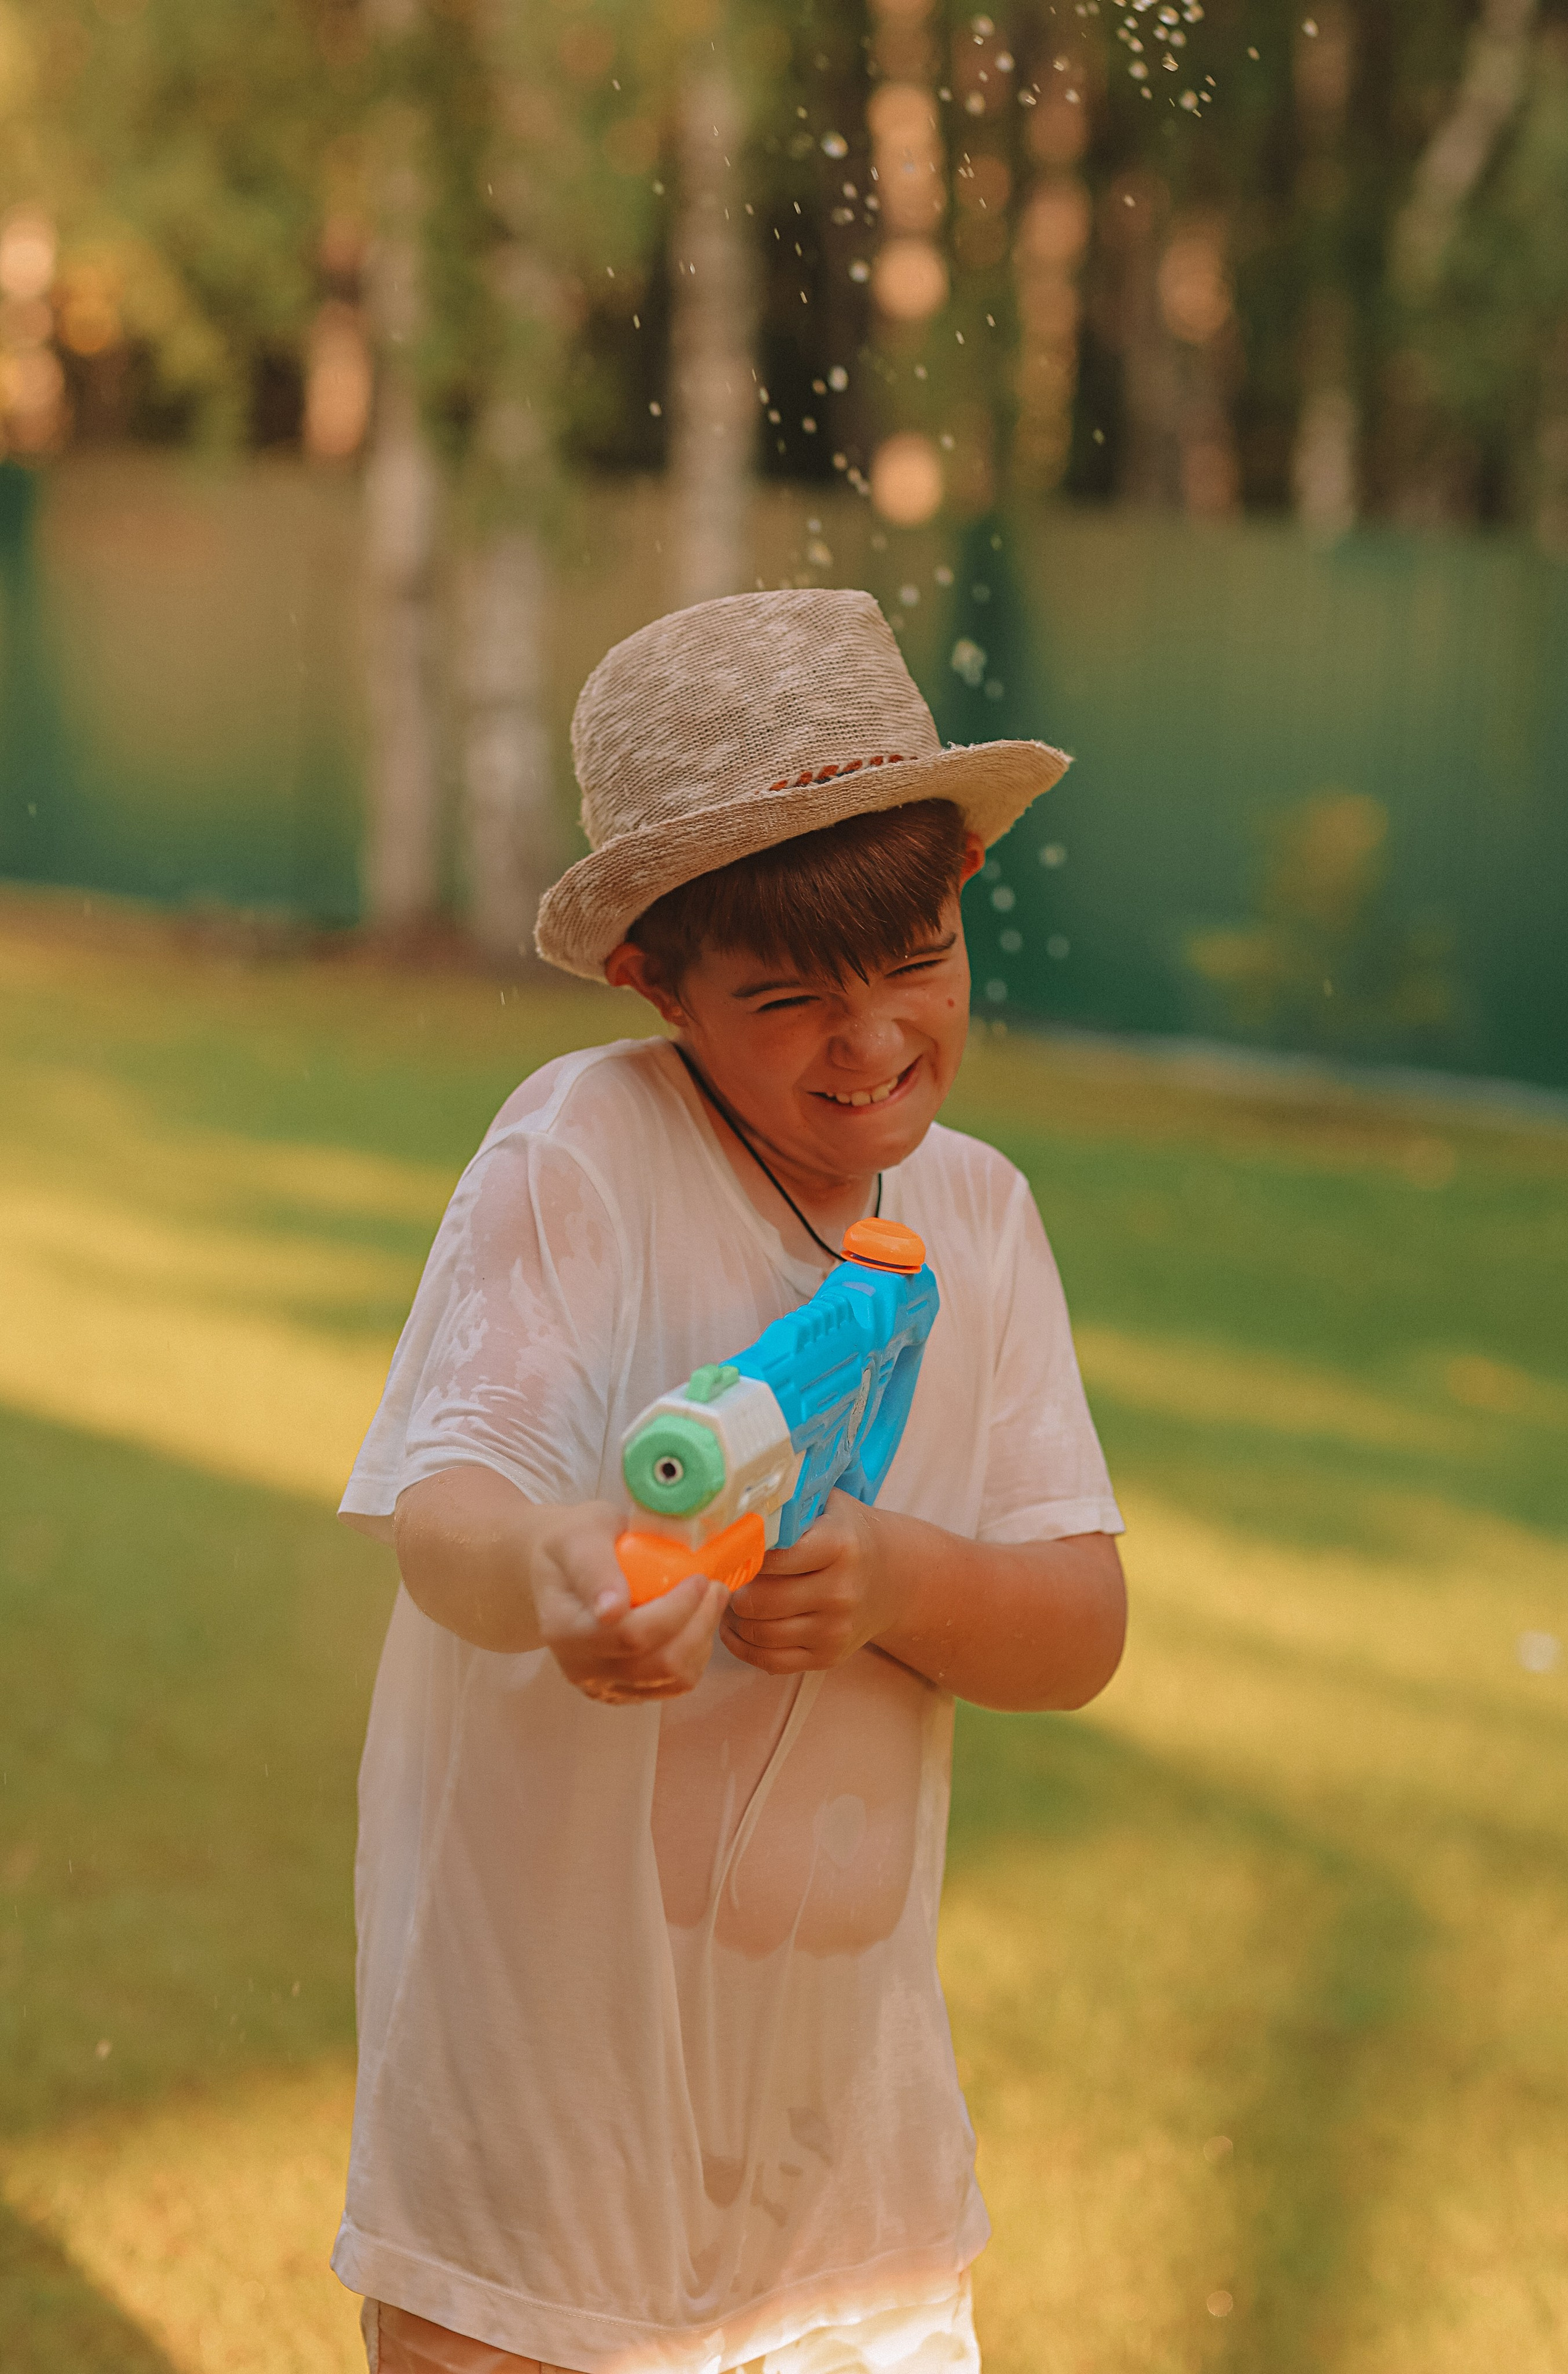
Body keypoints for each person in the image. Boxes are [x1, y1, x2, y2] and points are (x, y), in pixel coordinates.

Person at [334, 589, 1127, 2374]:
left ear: (962, 906)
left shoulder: (981, 1222)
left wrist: (894, 1583)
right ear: (653, 979)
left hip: (842, 2137)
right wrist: (556, 1567)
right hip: (541, 2093)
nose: (870, 1048)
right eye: (787, 1000)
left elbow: (1080, 1626)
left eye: (916, 965)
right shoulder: (582, 1151)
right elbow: (445, 1505)